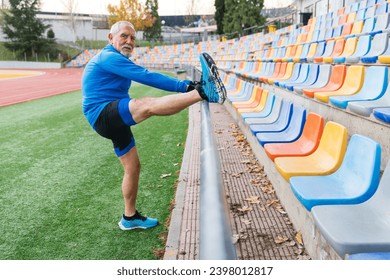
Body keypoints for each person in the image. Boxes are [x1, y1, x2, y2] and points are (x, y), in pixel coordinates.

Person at [81, 21, 220, 231]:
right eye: (124, 36)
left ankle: (129, 217)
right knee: (144, 105)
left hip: (112, 113)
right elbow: (146, 76)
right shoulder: (108, 57)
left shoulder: (116, 58)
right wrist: (186, 86)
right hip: (102, 113)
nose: (129, 41)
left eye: (133, 38)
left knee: (133, 167)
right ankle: (202, 92)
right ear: (111, 38)